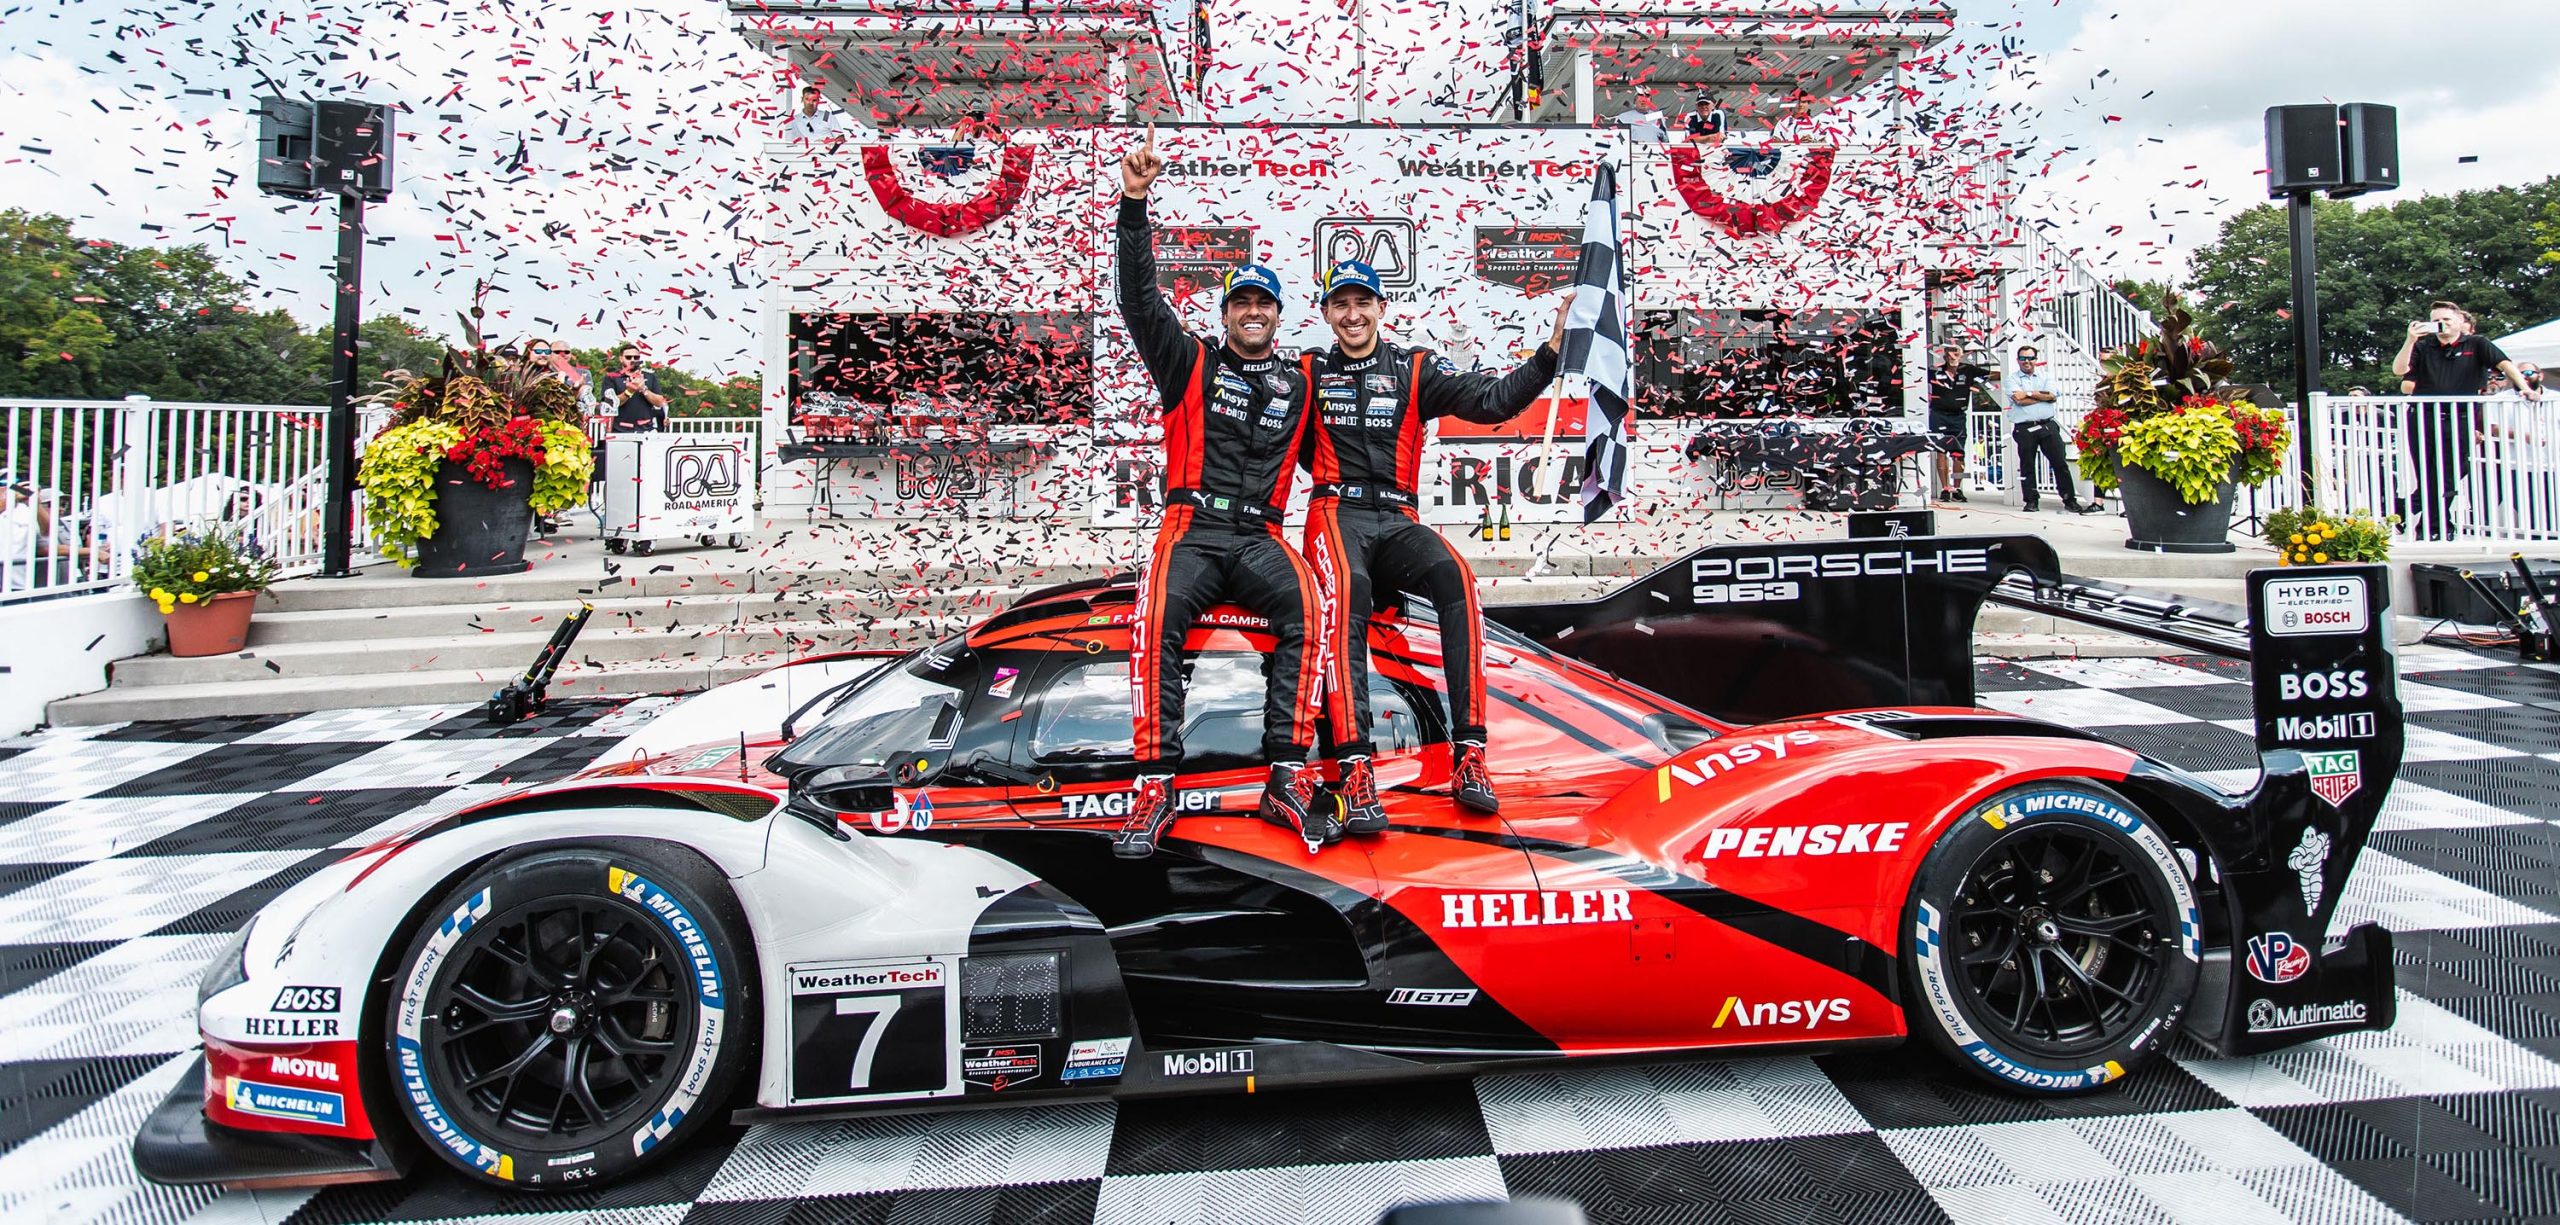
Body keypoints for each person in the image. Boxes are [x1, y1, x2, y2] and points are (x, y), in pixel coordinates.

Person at [1112, 125, 1331, 859]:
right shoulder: (1188, 362)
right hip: (1193, 531)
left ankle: (1285, 775)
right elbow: (1140, 301)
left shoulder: (1301, 383)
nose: (1252, 313)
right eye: (1241, 303)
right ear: (1227, 312)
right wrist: (1134, 203)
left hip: (1261, 536)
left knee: (1311, 607)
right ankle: (1155, 784)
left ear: (1278, 315)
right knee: (1154, 617)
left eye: (1263, 304)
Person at [1301, 259, 1568, 817]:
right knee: (1346, 590)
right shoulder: (1308, 370)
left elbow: (1492, 401)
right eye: (1341, 304)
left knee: (1457, 578)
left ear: (1381, 308)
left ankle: (1469, 753)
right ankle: (1355, 766)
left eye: (1363, 302)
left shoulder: (1415, 367)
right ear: (1326, 313)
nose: (1353, 314)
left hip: (1399, 517)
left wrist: (1550, 354)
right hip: (1335, 511)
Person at [2390, 300, 2543, 538]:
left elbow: (2505, 365)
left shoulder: (2477, 343)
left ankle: (2417, 515)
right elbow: (2399, 371)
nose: (2441, 324)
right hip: (2423, 417)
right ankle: (2433, 527)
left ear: (2460, 321)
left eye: (2447, 319)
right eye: (2436, 320)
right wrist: (2409, 340)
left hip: (2459, 417)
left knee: (2452, 472)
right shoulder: (2423, 345)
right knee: (2427, 473)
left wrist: (2523, 388)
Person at [2007, 345, 2099, 513]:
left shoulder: (2046, 376)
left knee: (2059, 463)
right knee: (2027, 465)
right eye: (2023, 358)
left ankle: (2069, 500)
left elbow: (2052, 396)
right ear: (2017, 360)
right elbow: (2019, 400)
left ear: (2036, 359)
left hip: (2047, 424)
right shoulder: (2011, 379)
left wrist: (2028, 393)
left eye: (2030, 358)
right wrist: (2042, 397)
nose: (2027, 361)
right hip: (2024, 427)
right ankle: (2031, 501)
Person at [1927, 343, 1991, 502]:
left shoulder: (1968, 370)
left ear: (1961, 355)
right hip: (1939, 415)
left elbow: (1991, 375)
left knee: (1959, 453)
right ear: (1944, 356)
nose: (1952, 356)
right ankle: (1945, 488)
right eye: (1949, 353)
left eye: (1956, 352)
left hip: (1958, 416)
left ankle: (1957, 488)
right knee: (1941, 451)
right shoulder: (1935, 371)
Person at [602, 348, 668, 434]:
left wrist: (644, 389)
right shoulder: (611, 377)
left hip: (646, 431)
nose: (633, 360)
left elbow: (659, 402)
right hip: (620, 431)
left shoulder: (650, 376)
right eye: (628, 357)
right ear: (621, 359)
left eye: (636, 357)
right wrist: (629, 391)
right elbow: (610, 404)